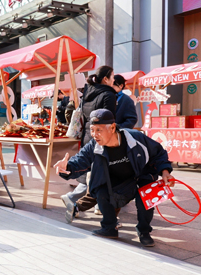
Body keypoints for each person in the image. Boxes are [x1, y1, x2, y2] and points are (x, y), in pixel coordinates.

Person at [54, 109, 174, 247]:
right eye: (92, 130)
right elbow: (79, 161)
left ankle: (144, 231)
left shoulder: (135, 138)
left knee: (145, 201)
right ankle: (109, 228)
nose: (94, 135)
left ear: (112, 127)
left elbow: (159, 153)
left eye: (99, 130)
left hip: (142, 175)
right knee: (101, 190)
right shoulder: (94, 145)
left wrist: (165, 171)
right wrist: (66, 167)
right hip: (117, 180)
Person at [61, 65, 117, 222]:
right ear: (106, 79)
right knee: (99, 174)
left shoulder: (88, 92)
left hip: (88, 136)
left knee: (92, 172)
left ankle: (79, 201)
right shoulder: (108, 95)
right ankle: (73, 199)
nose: (114, 80)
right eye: (112, 77)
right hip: (101, 138)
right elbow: (110, 120)